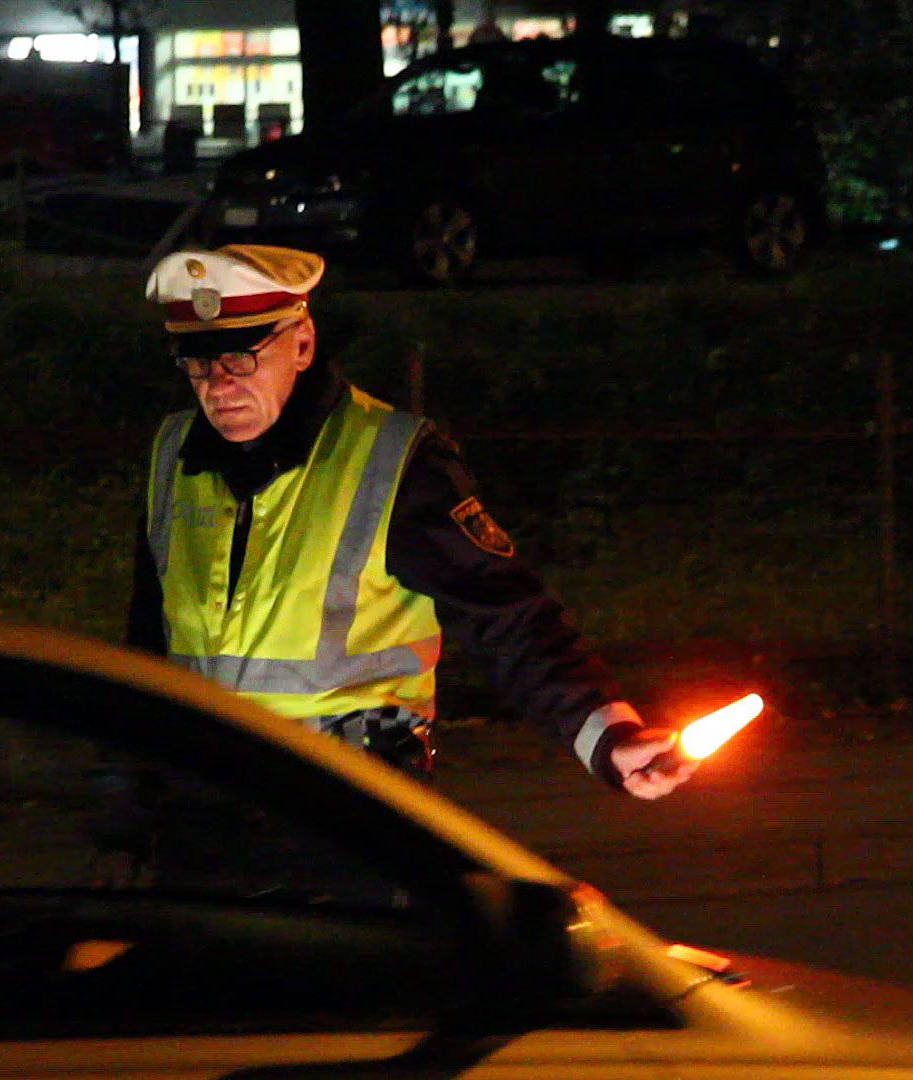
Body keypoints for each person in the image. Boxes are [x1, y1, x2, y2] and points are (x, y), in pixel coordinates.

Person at [129, 243, 695, 800]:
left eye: (241, 356)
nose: (219, 383)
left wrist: (606, 736)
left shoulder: (393, 460)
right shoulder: (173, 450)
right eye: (198, 361)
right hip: (203, 795)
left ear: (302, 344)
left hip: (348, 802)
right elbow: (151, 629)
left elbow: (504, 614)